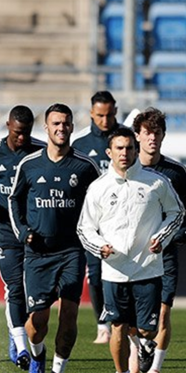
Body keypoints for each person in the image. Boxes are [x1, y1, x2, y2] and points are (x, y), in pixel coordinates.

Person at [78, 126, 184, 373]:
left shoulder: (156, 182)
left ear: (136, 150)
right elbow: (84, 228)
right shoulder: (98, 187)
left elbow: (176, 212)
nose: (124, 153)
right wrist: (99, 246)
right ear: (109, 152)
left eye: (129, 148)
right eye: (119, 148)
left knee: (148, 328)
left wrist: (162, 237)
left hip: (148, 267)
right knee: (118, 327)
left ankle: (145, 345)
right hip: (113, 271)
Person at [8, 103, 101, 373]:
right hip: (38, 255)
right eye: (56, 124)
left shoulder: (86, 166)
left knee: (69, 314)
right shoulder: (30, 164)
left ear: (72, 127)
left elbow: (102, 200)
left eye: (66, 123)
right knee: (36, 323)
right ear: (46, 128)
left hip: (72, 252)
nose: (61, 128)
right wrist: (23, 232)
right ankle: (37, 356)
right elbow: (14, 201)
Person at [133, 107, 186, 373]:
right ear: (137, 135)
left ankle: (155, 369)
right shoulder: (127, 169)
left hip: (165, 254)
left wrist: (180, 235)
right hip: (132, 254)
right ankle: (139, 346)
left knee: (163, 310)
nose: (152, 139)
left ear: (163, 136)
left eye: (157, 133)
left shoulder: (176, 171)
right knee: (133, 315)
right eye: (147, 133)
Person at [0, 105, 45, 371]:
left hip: (34, 234)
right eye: (18, 133)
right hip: (7, 234)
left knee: (35, 294)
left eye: (27, 133)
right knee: (14, 289)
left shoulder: (40, 151)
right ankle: (22, 350)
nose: (22, 138)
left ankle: (20, 333)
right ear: (8, 125)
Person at [71, 91, 122, 345]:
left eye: (110, 115)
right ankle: (103, 323)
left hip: (124, 219)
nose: (105, 120)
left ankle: (124, 322)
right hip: (95, 222)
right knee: (96, 272)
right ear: (91, 113)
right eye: (100, 115)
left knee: (124, 272)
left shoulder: (126, 139)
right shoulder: (80, 145)